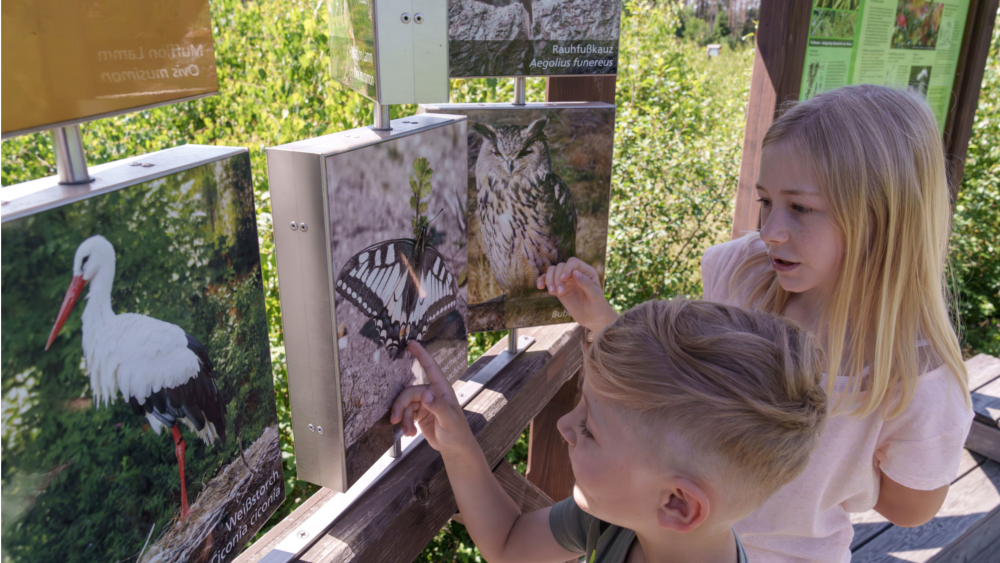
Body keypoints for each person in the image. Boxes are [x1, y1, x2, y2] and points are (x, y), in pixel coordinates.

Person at [537, 84, 974, 562]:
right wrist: (602, 320)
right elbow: (681, 395)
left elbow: (910, 513)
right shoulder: (741, 271)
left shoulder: (922, 375)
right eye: (766, 202)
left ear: (885, 218)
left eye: (800, 208)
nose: (768, 231)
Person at [391, 299, 827, 563]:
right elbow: (509, 545)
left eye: (590, 430)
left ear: (677, 503)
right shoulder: (619, 520)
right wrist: (457, 444)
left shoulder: (622, 514)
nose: (564, 425)